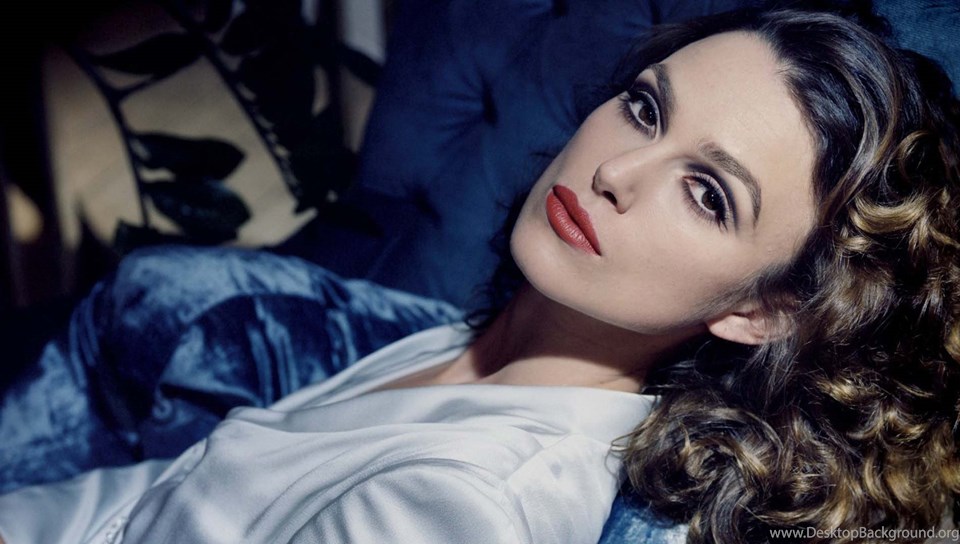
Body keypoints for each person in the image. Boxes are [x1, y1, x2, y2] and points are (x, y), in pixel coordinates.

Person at [1, 4, 959, 543]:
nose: (618, 171)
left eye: (708, 194)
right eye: (644, 107)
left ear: (761, 311)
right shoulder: (494, 342)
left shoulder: (466, 505)